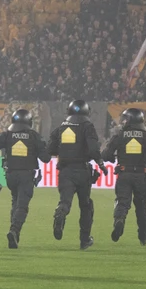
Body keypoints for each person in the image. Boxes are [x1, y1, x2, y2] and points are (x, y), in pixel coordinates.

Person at [101, 108, 146, 245]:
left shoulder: (120, 135)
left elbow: (106, 155)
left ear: (128, 120)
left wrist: (113, 158)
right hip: (142, 175)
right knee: (141, 206)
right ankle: (143, 235)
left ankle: (119, 220)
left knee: (122, 202)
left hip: (124, 174)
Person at [47, 100, 104, 250]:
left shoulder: (61, 127)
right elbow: (93, 149)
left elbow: (50, 149)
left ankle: (61, 211)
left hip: (65, 171)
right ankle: (84, 240)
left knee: (65, 201)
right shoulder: (87, 126)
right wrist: (100, 163)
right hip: (82, 171)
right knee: (86, 206)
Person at [0, 108, 49, 249]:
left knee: (15, 202)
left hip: (10, 175)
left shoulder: (7, 135)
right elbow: (45, 159)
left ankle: (14, 233)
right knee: (22, 206)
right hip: (26, 175)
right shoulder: (34, 136)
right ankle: (14, 230)